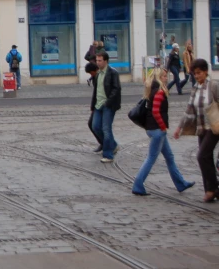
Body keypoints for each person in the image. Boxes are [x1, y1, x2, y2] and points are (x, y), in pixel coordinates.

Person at [131, 68, 194, 196]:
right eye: (164, 76)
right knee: (151, 158)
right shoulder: (159, 92)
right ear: (159, 78)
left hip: (152, 128)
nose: (167, 78)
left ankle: (180, 183)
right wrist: (162, 126)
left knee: (169, 157)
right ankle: (137, 184)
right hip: (157, 130)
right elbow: (155, 111)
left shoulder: (152, 90)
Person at [174, 58, 219, 203]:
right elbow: (189, 110)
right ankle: (210, 191)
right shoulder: (195, 89)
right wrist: (180, 127)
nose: (197, 76)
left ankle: (213, 189)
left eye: (199, 73)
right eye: (194, 74)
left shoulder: (214, 86)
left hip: (214, 127)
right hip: (201, 128)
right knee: (207, 158)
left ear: (206, 72)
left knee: (201, 156)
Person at [91, 51, 122, 163]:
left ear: (106, 61)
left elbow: (116, 89)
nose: (98, 63)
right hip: (98, 104)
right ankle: (113, 145)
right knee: (95, 127)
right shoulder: (98, 74)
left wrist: (108, 102)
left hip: (108, 105)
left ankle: (108, 155)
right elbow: (96, 91)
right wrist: (93, 105)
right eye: (97, 60)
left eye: (100, 61)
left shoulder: (113, 73)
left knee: (106, 129)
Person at [85, 62, 102, 153]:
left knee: (95, 125)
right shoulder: (96, 77)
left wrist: (93, 106)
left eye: (91, 73)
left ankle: (108, 144)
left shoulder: (100, 77)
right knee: (92, 124)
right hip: (97, 105)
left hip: (100, 105)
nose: (91, 75)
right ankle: (103, 143)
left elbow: (96, 93)